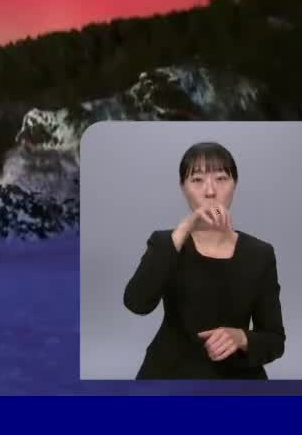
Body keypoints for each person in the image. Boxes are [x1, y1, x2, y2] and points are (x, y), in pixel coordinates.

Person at [122, 141, 285, 379]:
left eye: (221, 178)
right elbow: (136, 303)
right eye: (196, 180)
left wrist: (241, 337)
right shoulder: (165, 243)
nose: (210, 191)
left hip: (236, 376)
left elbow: (275, 340)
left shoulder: (260, 253)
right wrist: (182, 231)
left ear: (235, 185)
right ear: (182, 187)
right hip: (169, 374)